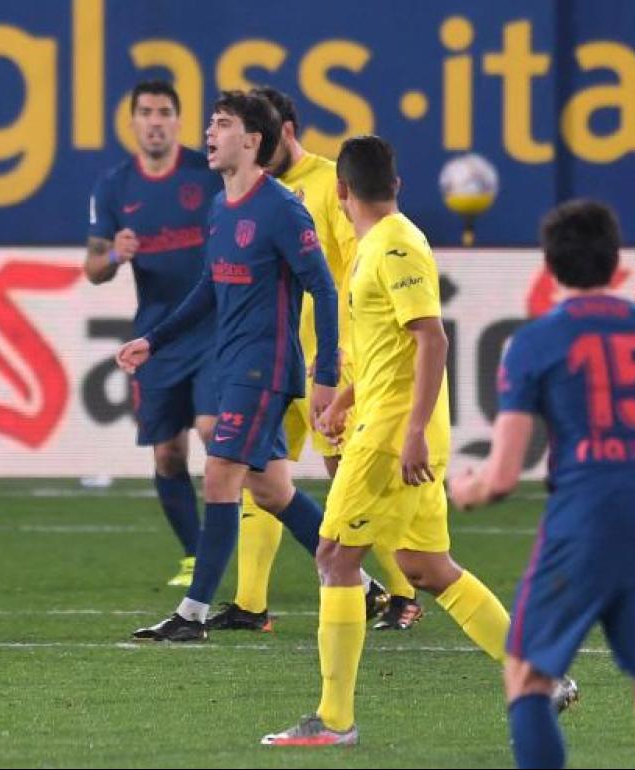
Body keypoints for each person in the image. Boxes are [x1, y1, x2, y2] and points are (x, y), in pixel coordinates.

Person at [261, 135, 521, 746]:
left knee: (333, 556)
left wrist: (408, 435)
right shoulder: (378, 244)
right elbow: (393, 349)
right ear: (397, 184)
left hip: (393, 434)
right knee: (422, 565)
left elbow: (432, 340)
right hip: (384, 421)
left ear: (343, 191)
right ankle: (535, 675)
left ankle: (333, 720)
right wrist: (344, 402)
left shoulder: (396, 244)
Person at [450, 200, 635, 769]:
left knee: (527, 680)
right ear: (615, 264)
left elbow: (502, 475)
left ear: (551, 266)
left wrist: (465, 488)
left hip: (583, 527)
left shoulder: (535, 342)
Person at [116, 90, 339, 642]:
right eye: (210, 124)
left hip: (266, 365)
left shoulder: (283, 208)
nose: (208, 135)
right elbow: (209, 288)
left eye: (221, 124)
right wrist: (156, 338)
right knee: (271, 491)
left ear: (252, 140)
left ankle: (192, 616)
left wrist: (327, 374)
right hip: (232, 362)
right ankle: (359, 587)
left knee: (219, 475)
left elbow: (325, 289)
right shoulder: (220, 206)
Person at [207, 86, 409, 633]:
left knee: (348, 477)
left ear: (284, 132)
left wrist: (340, 349)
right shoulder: (257, 192)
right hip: (276, 355)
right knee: (258, 475)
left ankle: (402, 591)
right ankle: (251, 603)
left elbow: (352, 260)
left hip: (328, 357)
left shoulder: (328, 185)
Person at [85, 80, 223, 588]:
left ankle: (228, 546)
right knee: (168, 453)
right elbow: (93, 267)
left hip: (212, 329)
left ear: (178, 120)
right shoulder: (115, 186)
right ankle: (194, 553)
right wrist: (116, 254)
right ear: (133, 121)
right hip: (158, 337)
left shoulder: (206, 175)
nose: (155, 120)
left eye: (165, 111)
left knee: (214, 432)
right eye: (146, 112)